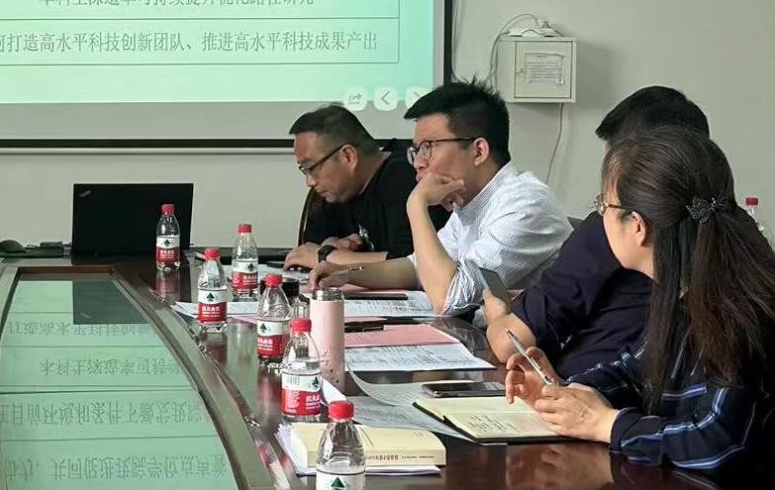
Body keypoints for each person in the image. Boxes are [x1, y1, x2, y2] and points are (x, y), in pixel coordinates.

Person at [506, 128, 775, 472]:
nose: (599, 216)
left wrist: (607, 425)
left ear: (637, 225)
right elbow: (635, 373)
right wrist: (563, 390)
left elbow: (718, 443)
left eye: (602, 205)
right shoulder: (680, 290)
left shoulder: (740, 306)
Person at [484, 86, 707, 378]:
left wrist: (498, 316)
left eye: (604, 201)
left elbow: (510, 343)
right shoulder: (719, 222)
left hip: (590, 394)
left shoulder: (610, 227)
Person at [309, 80, 571, 315]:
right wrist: (347, 275)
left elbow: (449, 299)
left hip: (538, 351)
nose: (418, 163)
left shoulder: (526, 205)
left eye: (428, 147)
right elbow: (416, 269)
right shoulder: (471, 203)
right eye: (416, 150)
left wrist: (416, 205)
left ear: (478, 151)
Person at [284, 104, 447, 269]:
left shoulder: (404, 178)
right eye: (304, 170)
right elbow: (309, 250)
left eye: (312, 168)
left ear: (348, 156)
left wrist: (330, 257)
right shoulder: (337, 192)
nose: (310, 182)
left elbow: (413, 263)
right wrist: (330, 244)